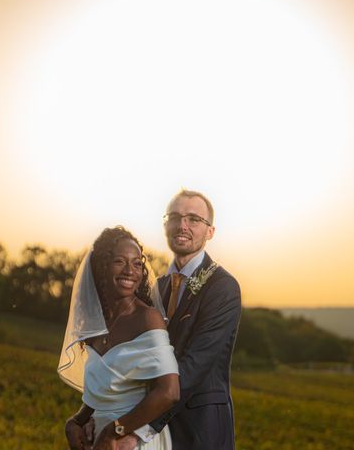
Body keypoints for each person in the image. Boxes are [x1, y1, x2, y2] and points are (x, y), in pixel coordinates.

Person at [119, 189, 242, 449]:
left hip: (199, 430)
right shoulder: (157, 286)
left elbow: (195, 364)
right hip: (153, 431)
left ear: (210, 232)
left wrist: (138, 428)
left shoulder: (223, 287)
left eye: (193, 219)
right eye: (174, 217)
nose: (182, 225)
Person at [58, 226, 179, 450]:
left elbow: (169, 392)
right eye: (119, 261)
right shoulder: (94, 324)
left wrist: (115, 431)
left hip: (131, 440)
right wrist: (75, 422)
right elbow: (104, 393)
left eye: (136, 264)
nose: (130, 271)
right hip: (98, 439)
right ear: (102, 266)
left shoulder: (147, 318)